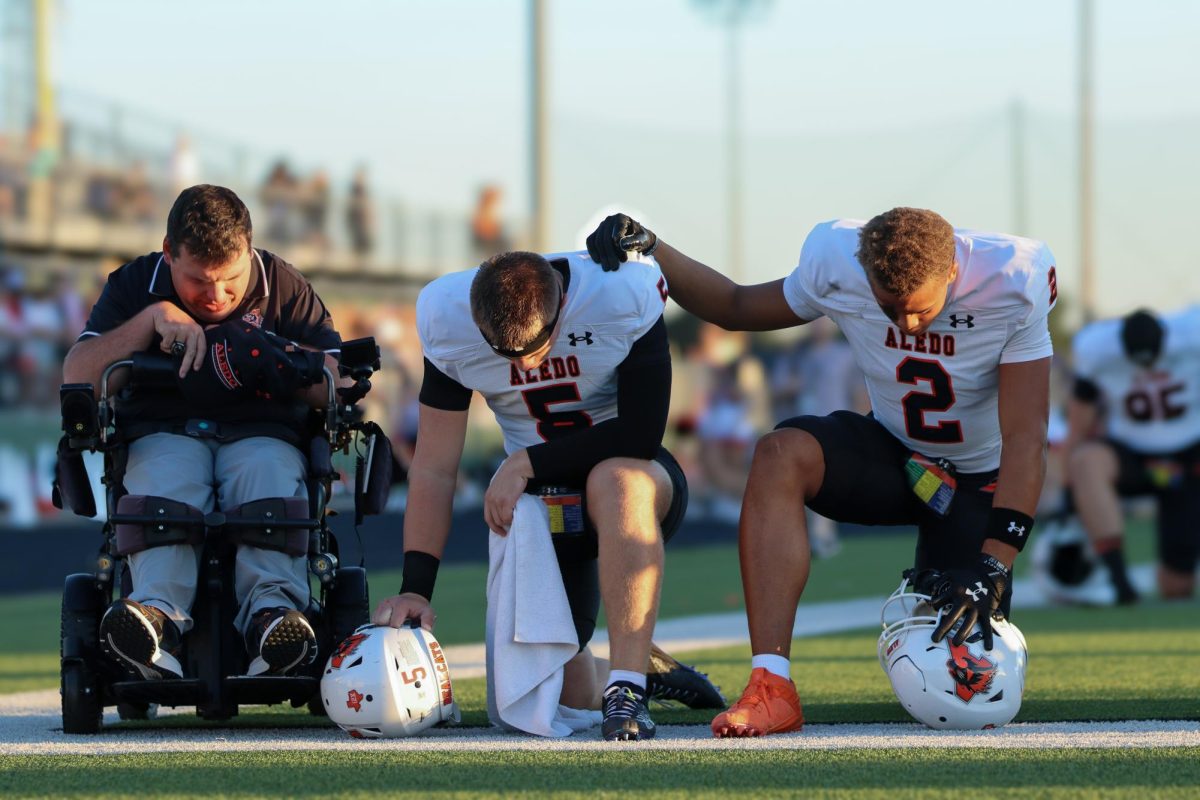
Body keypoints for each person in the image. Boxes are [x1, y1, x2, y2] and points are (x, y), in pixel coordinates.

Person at [588, 208, 1056, 737]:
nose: (906, 325)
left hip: (980, 478)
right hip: (895, 454)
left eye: (920, 311)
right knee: (780, 453)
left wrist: (994, 566)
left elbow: (1024, 438)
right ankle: (771, 685)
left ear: (952, 272)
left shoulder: (1013, 279)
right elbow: (735, 306)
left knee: (968, 697)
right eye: (888, 308)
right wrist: (654, 246)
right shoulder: (839, 262)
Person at [371, 249, 723, 741]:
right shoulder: (446, 318)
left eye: (537, 346)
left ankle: (627, 688)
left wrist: (527, 461)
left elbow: (641, 434)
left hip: (634, 486)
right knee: (561, 695)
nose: (527, 364)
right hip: (543, 508)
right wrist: (416, 586)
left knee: (614, 478)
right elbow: (433, 469)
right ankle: (648, 668)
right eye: (506, 355)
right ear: (475, 319)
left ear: (562, 306)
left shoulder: (620, 291)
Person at [62, 184, 342, 681]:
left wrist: (268, 353)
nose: (215, 297)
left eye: (230, 280)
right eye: (197, 282)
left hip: (265, 433)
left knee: (266, 475)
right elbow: (78, 372)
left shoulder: (283, 284)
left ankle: (272, 621)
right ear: (169, 253)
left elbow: (338, 380)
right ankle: (156, 619)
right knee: (166, 483)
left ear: (250, 251)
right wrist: (152, 319)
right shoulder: (134, 284)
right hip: (163, 429)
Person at [1065, 306, 1200, 603]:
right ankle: (1118, 580)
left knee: (1177, 587)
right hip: (1132, 453)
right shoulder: (1097, 348)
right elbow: (1081, 410)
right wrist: (1066, 480)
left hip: (1189, 455)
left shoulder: (1192, 335)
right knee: (1086, 461)